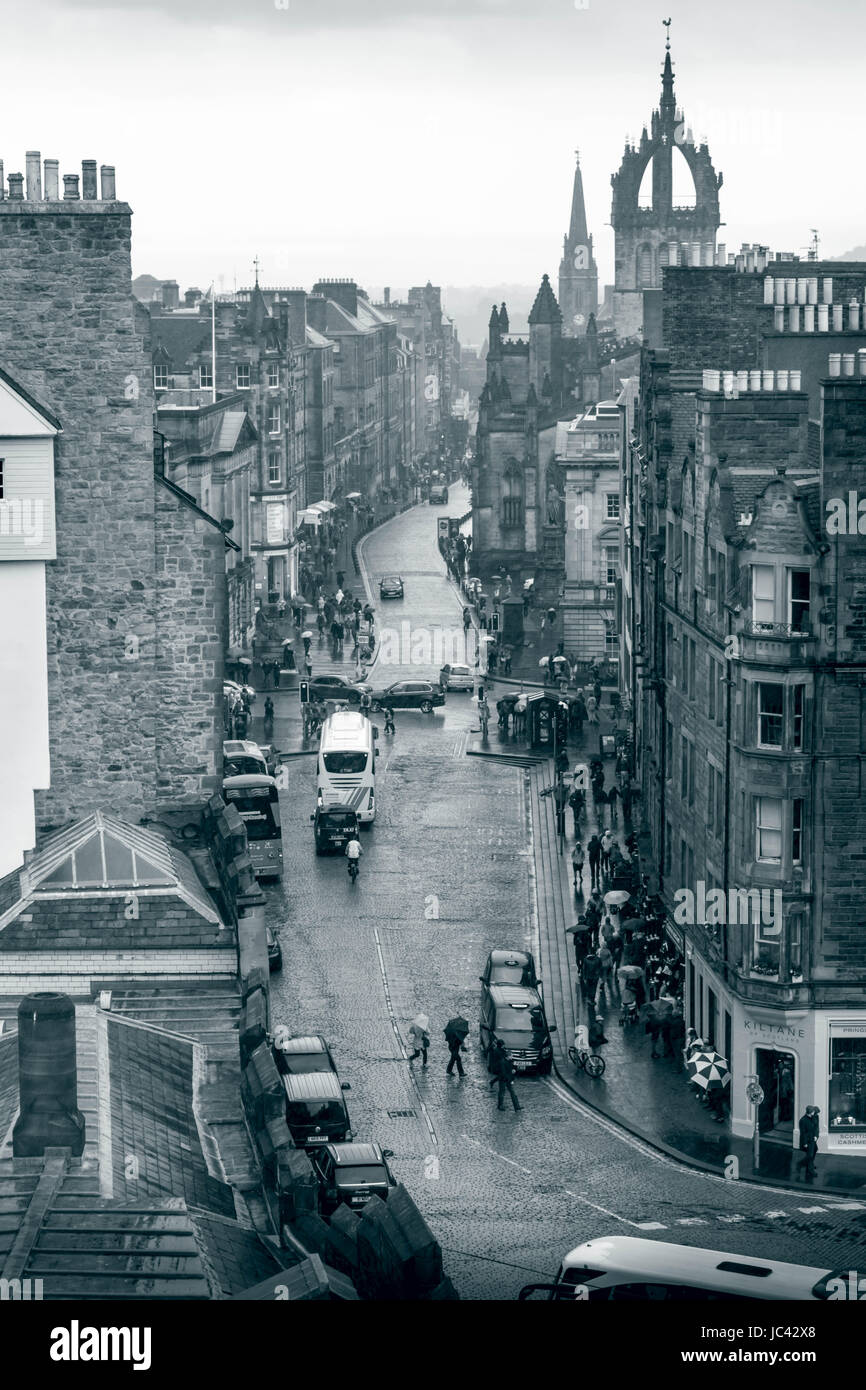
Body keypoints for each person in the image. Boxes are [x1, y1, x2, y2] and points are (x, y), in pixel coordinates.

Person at [489, 1039, 521, 1112]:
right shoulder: (501, 1057)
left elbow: (510, 1070)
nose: (512, 1057)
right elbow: (504, 1072)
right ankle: (500, 1105)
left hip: (506, 1077)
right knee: (502, 1092)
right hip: (503, 1078)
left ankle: (517, 1106)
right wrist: (510, 1079)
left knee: (511, 1092)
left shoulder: (504, 1056)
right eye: (511, 1056)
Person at [798, 1106, 820, 1178]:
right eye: (813, 1112)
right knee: (810, 1155)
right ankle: (810, 1171)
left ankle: (802, 1163)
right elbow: (803, 1133)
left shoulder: (813, 1117)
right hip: (807, 1141)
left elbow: (816, 1127)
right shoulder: (803, 1120)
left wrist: (816, 1136)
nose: (814, 1113)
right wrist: (805, 1143)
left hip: (812, 1139)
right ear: (809, 1112)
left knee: (815, 1150)